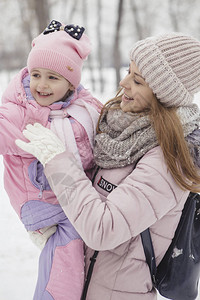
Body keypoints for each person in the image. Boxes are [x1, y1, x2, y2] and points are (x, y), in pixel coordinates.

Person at [16, 32, 200, 300]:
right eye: (128, 71)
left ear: (163, 95)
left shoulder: (169, 160)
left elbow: (103, 229)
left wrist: (58, 160)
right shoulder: (120, 132)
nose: (123, 82)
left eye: (137, 80)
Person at [1, 20, 102, 300]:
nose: (41, 85)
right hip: (42, 201)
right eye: (35, 75)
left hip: (70, 195)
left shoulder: (84, 107)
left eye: (52, 78)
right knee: (67, 255)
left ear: (71, 83)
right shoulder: (22, 111)